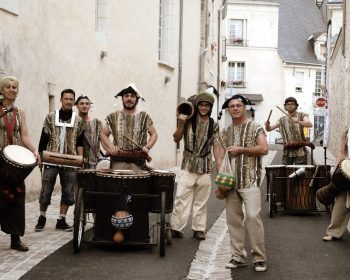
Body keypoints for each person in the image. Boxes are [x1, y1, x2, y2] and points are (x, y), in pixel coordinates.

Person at [217, 94, 268, 272]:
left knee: (253, 217)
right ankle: (238, 257)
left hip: (250, 180)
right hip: (230, 183)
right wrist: (220, 184)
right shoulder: (224, 132)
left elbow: (264, 148)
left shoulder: (255, 127)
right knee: (233, 221)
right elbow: (220, 157)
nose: (236, 108)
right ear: (228, 110)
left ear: (245, 107)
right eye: (232, 106)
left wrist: (242, 150)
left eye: (239, 105)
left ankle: (259, 258)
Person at [170, 92, 222, 241]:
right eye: (201, 104)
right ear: (197, 105)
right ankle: (176, 228)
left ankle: (199, 229)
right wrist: (180, 123)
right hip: (188, 165)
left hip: (205, 167)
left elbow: (217, 149)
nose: (203, 107)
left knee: (201, 201)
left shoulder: (214, 125)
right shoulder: (188, 120)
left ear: (211, 107)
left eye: (207, 105)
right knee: (181, 198)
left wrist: (219, 172)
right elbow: (176, 138)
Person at [35, 89, 85, 232]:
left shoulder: (78, 121)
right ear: (61, 100)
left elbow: (80, 142)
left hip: (70, 161)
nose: (68, 101)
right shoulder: (50, 117)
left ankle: (61, 220)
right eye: (66, 99)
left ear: (73, 102)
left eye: (71, 99)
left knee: (68, 192)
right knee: (46, 190)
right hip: (51, 160)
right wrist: (40, 156)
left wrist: (80, 159)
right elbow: (43, 138)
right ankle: (42, 217)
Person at [0, 76, 39, 251]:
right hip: (0, 158)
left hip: (15, 162)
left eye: (14, 87)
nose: (11, 89)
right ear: (2, 90)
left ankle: (15, 239)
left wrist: (34, 150)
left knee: (16, 198)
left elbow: (24, 136)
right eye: (8, 87)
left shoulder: (20, 112)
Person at [100, 83, 157, 170]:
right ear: (122, 98)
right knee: (118, 183)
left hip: (138, 161)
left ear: (136, 99)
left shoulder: (144, 116)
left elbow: (154, 134)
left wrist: (147, 147)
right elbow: (103, 134)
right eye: (126, 96)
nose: (129, 98)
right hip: (117, 161)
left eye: (132, 96)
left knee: (138, 183)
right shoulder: (113, 116)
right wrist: (111, 147)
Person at [265, 97, 312, 165]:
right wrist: (267, 125)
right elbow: (269, 129)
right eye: (288, 104)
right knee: (286, 174)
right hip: (287, 152)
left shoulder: (302, 115)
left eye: (292, 104)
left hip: (300, 151)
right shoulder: (282, 119)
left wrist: (298, 121)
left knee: (300, 173)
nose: (290, 105)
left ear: (296, 106)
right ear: (285, 107)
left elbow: (309, 124)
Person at [322, 128, 350, 242]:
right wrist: (336, 168)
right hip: (348, 167)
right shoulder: (347, 130)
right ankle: (333, 232)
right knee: (341, 201)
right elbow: (342, 152)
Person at [75, 95, 102, 169]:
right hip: (76, 163)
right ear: (77, 106)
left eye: (87, 104)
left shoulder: (97, 122)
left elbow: (103, 139)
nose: (84, 106)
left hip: (94, 163)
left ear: (90, 106)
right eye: (81, 103)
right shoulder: (73, 122)